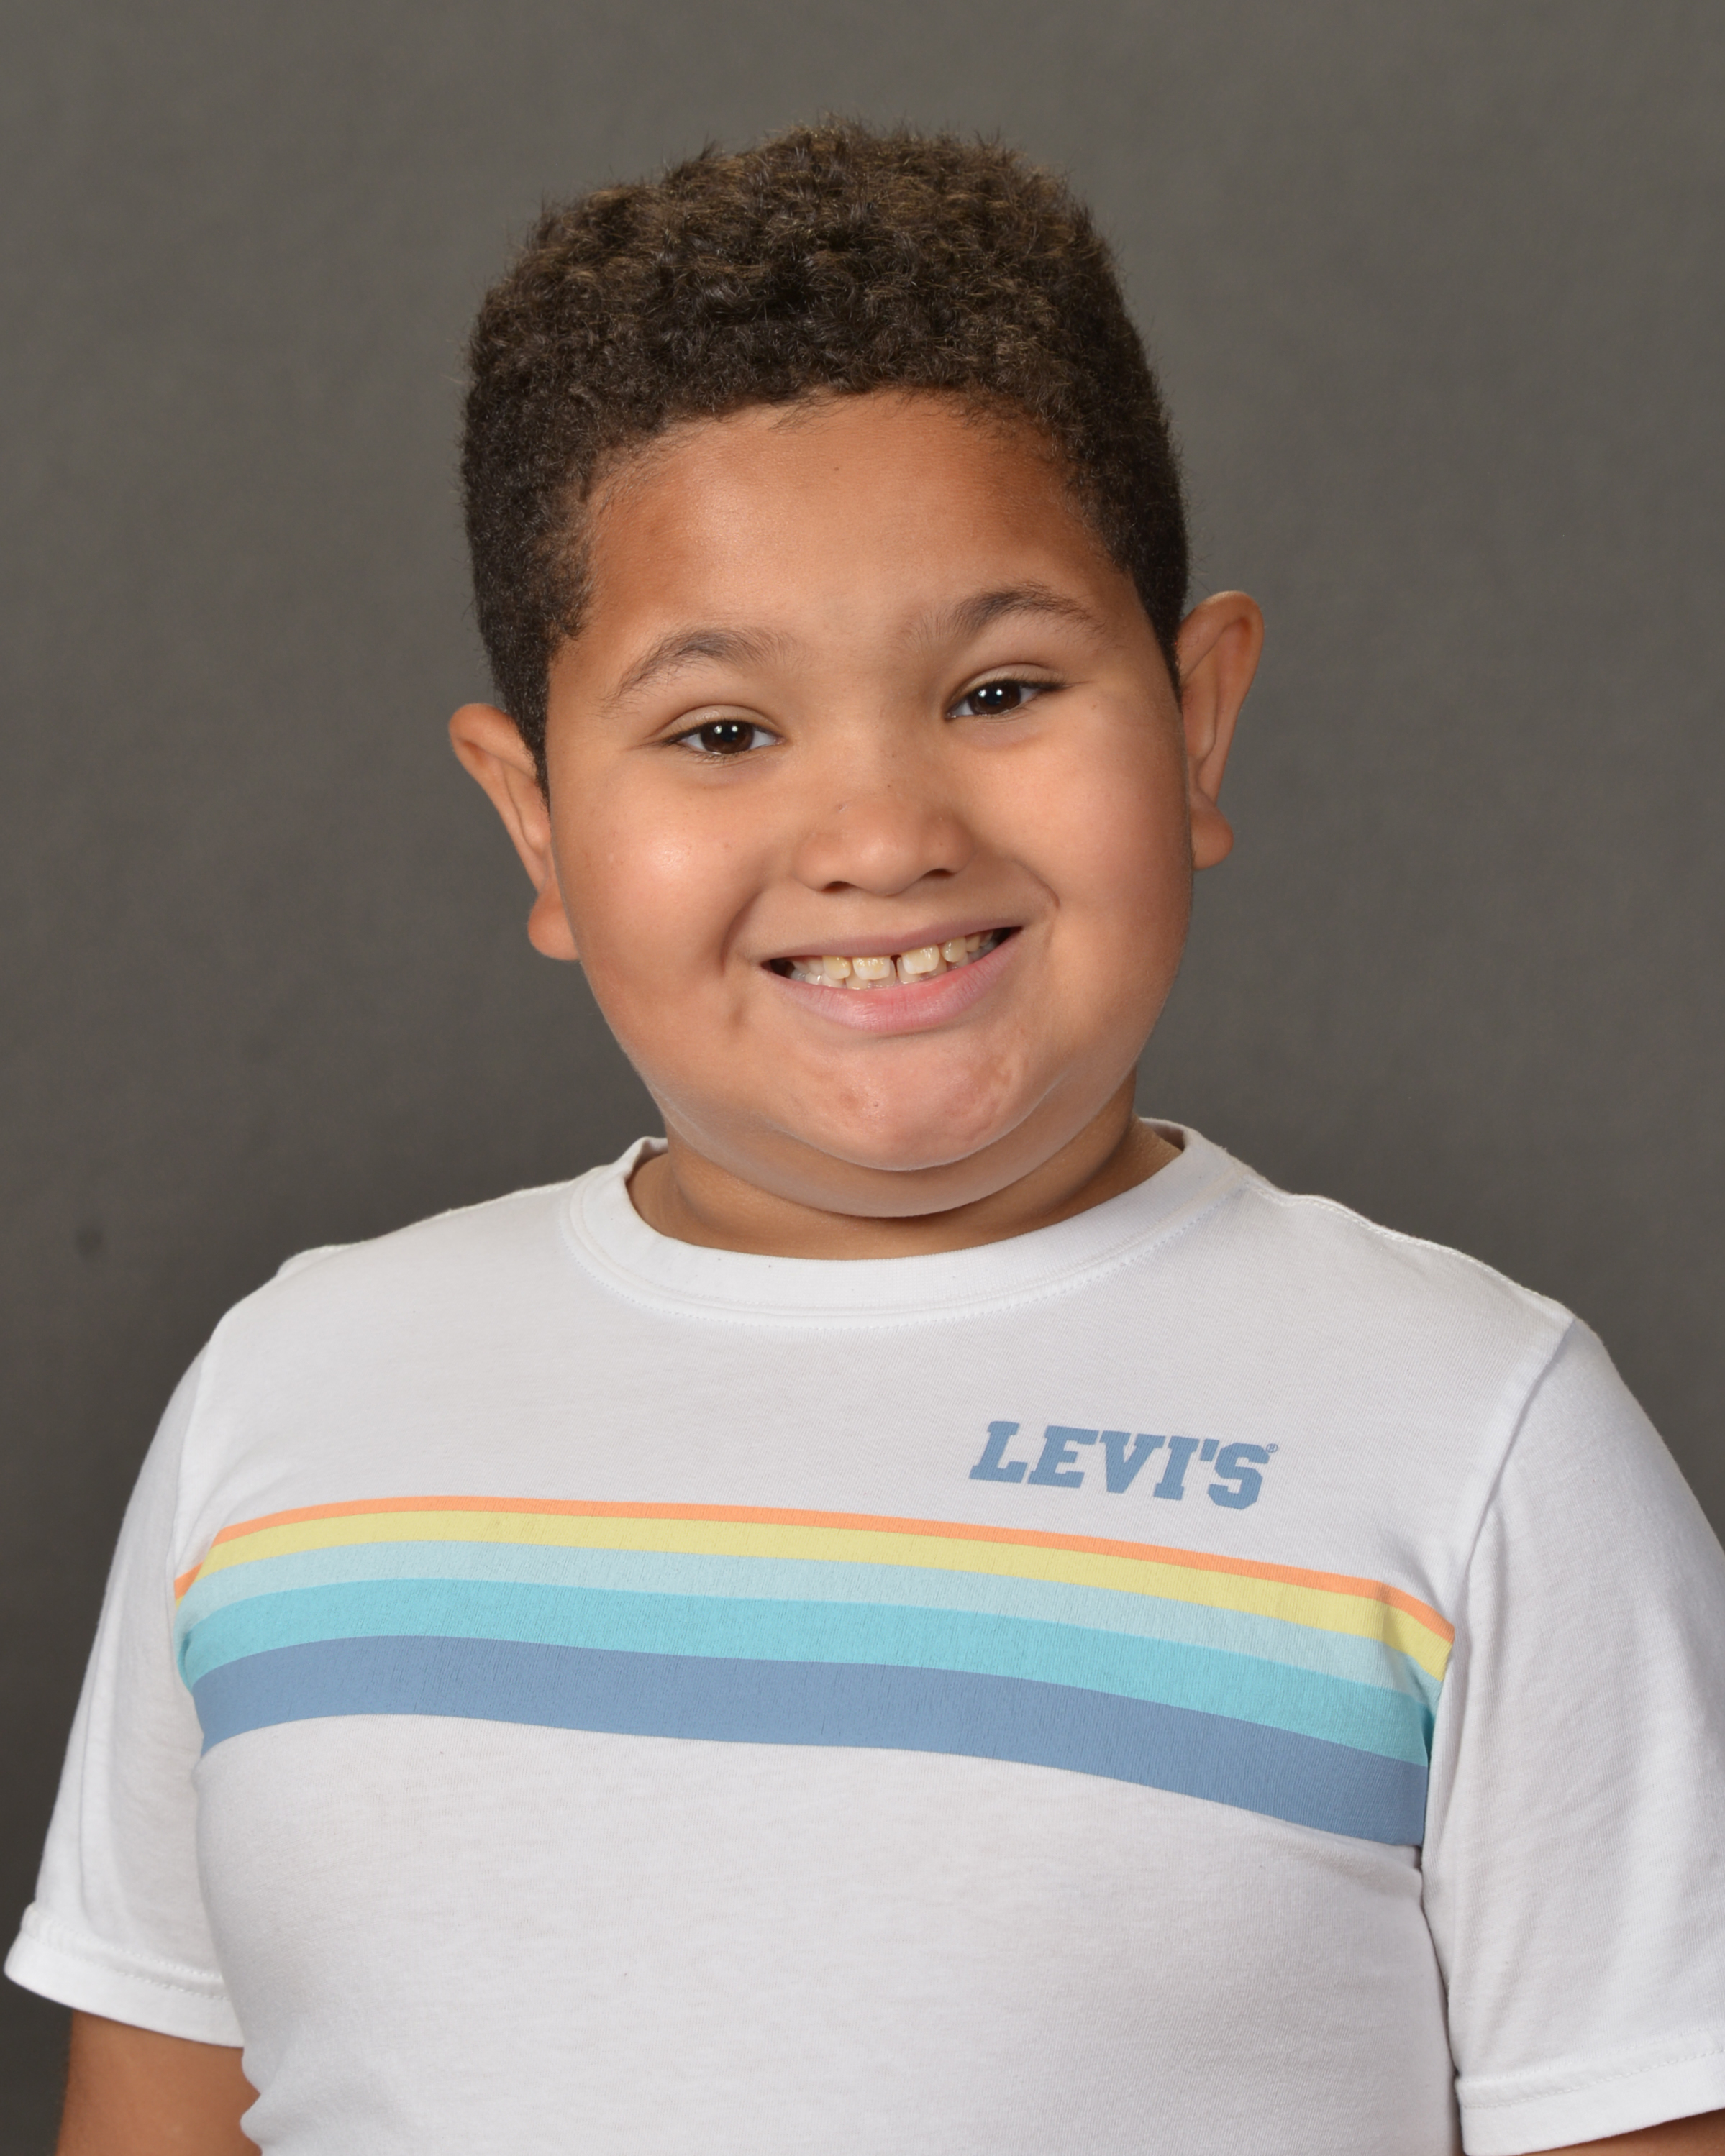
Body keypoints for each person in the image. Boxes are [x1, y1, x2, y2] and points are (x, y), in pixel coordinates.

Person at [9, 122, 1724, 2156]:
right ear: (535, 819)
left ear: (1197, 719)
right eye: (722, 732)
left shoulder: (1477, 1444)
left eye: (1000, 691)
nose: (884, 837)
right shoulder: (288, 1407)